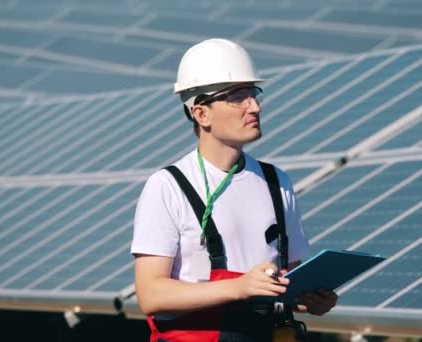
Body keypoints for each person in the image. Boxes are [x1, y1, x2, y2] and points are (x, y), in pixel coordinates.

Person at [131, 38, 337, 342]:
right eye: (237, 97)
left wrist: (312, 300)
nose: (254, 106)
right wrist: (239, 287)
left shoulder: (276, 181)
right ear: (202, 114)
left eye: (253, 93)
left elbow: (292, 278)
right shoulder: (167, 186)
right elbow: (150, 294)